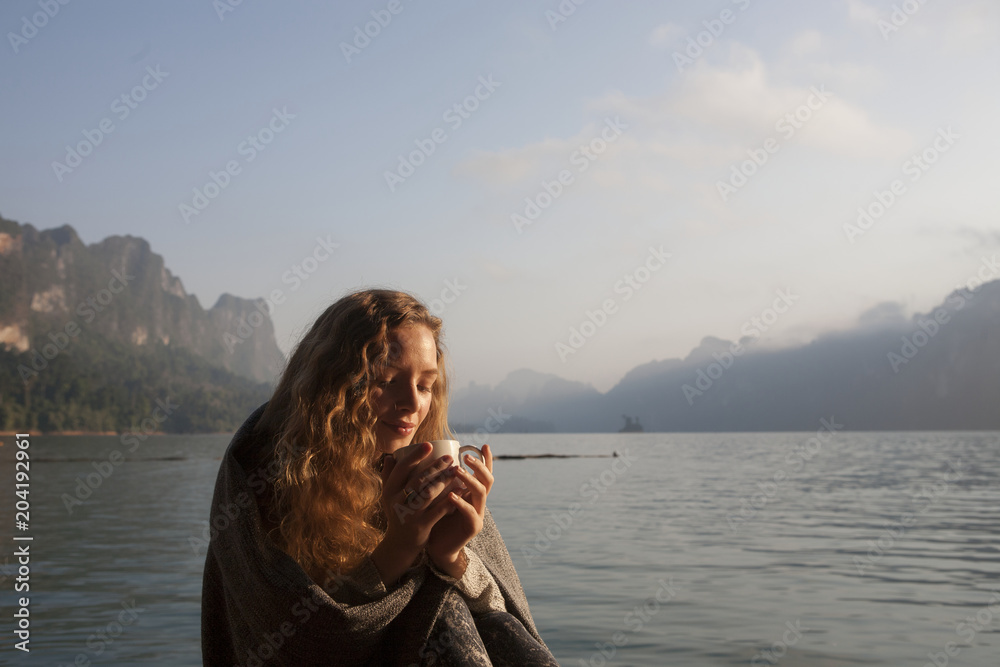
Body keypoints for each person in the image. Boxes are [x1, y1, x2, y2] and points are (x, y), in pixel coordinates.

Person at [201, 288, 559, 666]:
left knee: (459, 609)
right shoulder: (266, 482)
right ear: (333, 385)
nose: (413, 403)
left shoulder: (427, 473)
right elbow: (297, 643)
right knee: (442, 617)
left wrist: (452, 557)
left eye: (425, 385)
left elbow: (505, 621)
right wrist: (401, 548)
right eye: (386, 381)